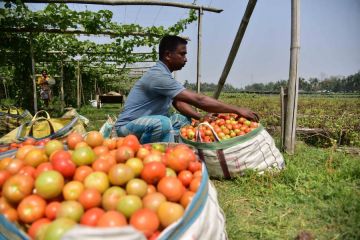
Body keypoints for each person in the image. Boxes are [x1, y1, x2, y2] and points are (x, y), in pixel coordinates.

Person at [115, 35, 259, 144]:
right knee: (163, 123)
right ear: (167, 55)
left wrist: (200, 118)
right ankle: (142, 150)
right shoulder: (158, 77)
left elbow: (178, 102)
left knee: (183, 120)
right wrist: (237, 110)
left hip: (147, 122)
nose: (185, 59)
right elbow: (199, 100)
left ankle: (170, 143)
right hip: (127, 127)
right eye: (182, 54)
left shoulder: (164, 75)